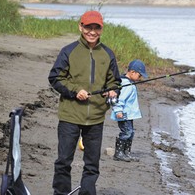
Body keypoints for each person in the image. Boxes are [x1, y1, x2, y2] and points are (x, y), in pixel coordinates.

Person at [48, 10, 121, 195]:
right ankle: (61, 193)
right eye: (88, 27)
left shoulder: (108, 54)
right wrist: (74, 91)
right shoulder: (68, 51)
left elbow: (115, 82)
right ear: (81, 27)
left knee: (92, 165)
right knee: (63, 161)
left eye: (96, 28)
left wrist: (113, 91)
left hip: (96, 118)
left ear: (101, 29)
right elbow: (55, 78)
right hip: (70, 116)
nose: (92, 32)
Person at [111, 59, 148, 162]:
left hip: (129, 115)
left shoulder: (130, 83)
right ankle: (118, 153)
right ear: (132, 72)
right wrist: (118, 111)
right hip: (123, 114)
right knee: (127, 132)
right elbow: (120, 99)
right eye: (139, 75)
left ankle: (126, 152)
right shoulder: (126, 84)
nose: (140, 78)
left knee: (130, 133)